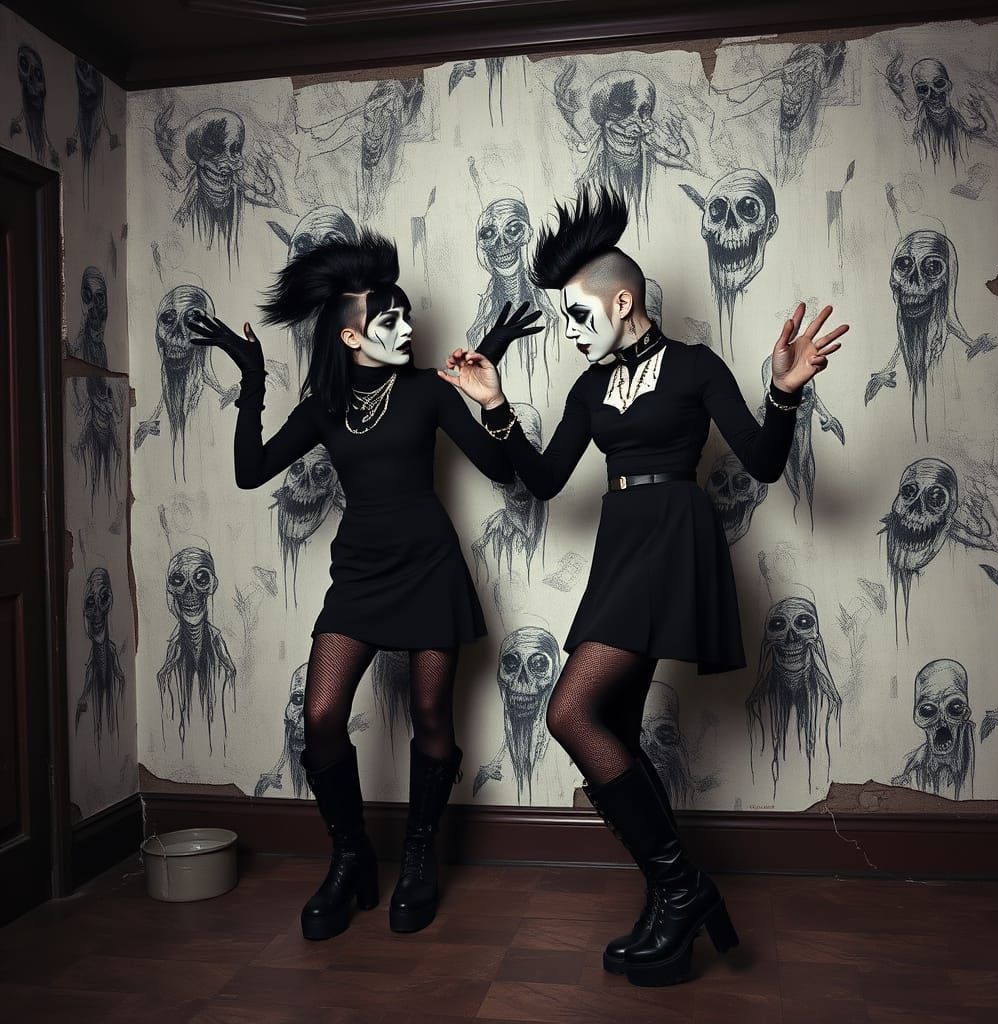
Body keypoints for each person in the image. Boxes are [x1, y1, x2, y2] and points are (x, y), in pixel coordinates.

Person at [442, 187, 847, 987]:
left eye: (577, 316)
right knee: (610, 733)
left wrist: (784, 390)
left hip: (675, 543)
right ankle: (678, 897)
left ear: (622, 302)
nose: (569, 331)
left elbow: (763, 463)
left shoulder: (695, 368)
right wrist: (495, 409)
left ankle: (679, 889)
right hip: (621, 549)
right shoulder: (591, 390)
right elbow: (548, 481)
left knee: (569, 713)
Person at [187, 230, 541, 940]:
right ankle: (350, 860)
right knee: (321, 716)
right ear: (351, 337)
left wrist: (491, 385)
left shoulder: (428, 395)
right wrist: (252, 378)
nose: (408, 328)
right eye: (390, 320)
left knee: (433, 719)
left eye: (408, 315)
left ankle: (418, 857)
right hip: (359, 577)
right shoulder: (323, 406)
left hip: (431, 571)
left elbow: (506, 474)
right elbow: (251, 471)